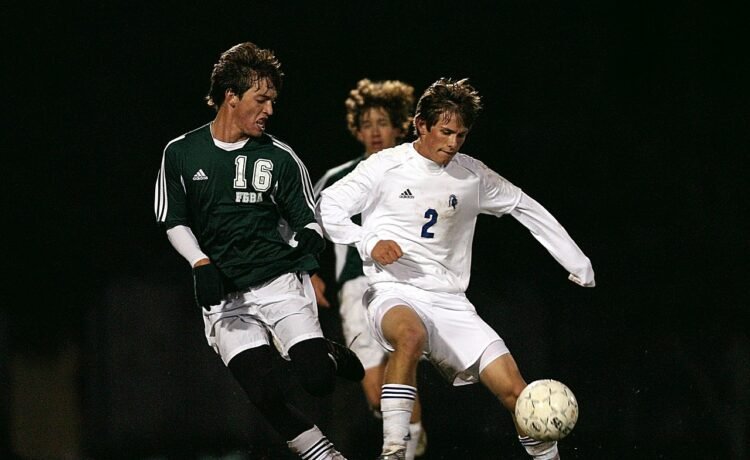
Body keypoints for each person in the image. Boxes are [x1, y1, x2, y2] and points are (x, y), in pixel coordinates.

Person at [316, 77, 595, 460]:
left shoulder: (472, 175)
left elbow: (524, 206)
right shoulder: (385, 166)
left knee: (518, 393)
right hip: (393, 291)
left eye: (461, 136)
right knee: (409, 337)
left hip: (451, 303)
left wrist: (576, 260)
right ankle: (395, 450)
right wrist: (368, 241)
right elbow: (327, 206)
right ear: (421, 125)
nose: (452, 143)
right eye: (445, 132)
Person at [153, 41, 364, 460]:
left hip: (278, 282)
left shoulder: (279, 156)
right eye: (261, 98)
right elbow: (173, 219)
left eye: (273, 100)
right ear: (232, 96)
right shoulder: (180, 153)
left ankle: (325, 353)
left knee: (317, 380)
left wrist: (310, 237)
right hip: (227, 296)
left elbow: (307, 215)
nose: (269, 109)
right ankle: (323, 454)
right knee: (262, 390)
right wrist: (200, 262)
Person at [311, 79, 427, 459]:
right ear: (357, 130)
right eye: (367, 123)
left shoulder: (421, 174)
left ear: (399, 127)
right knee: (375, 390)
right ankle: (411, 432)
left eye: (383, 122)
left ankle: (405, 446)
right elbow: (306, 228)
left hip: (404, 282)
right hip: (354, 287)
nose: (375, 131)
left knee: (404, 356)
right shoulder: (337, 179)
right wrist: (309, 273)